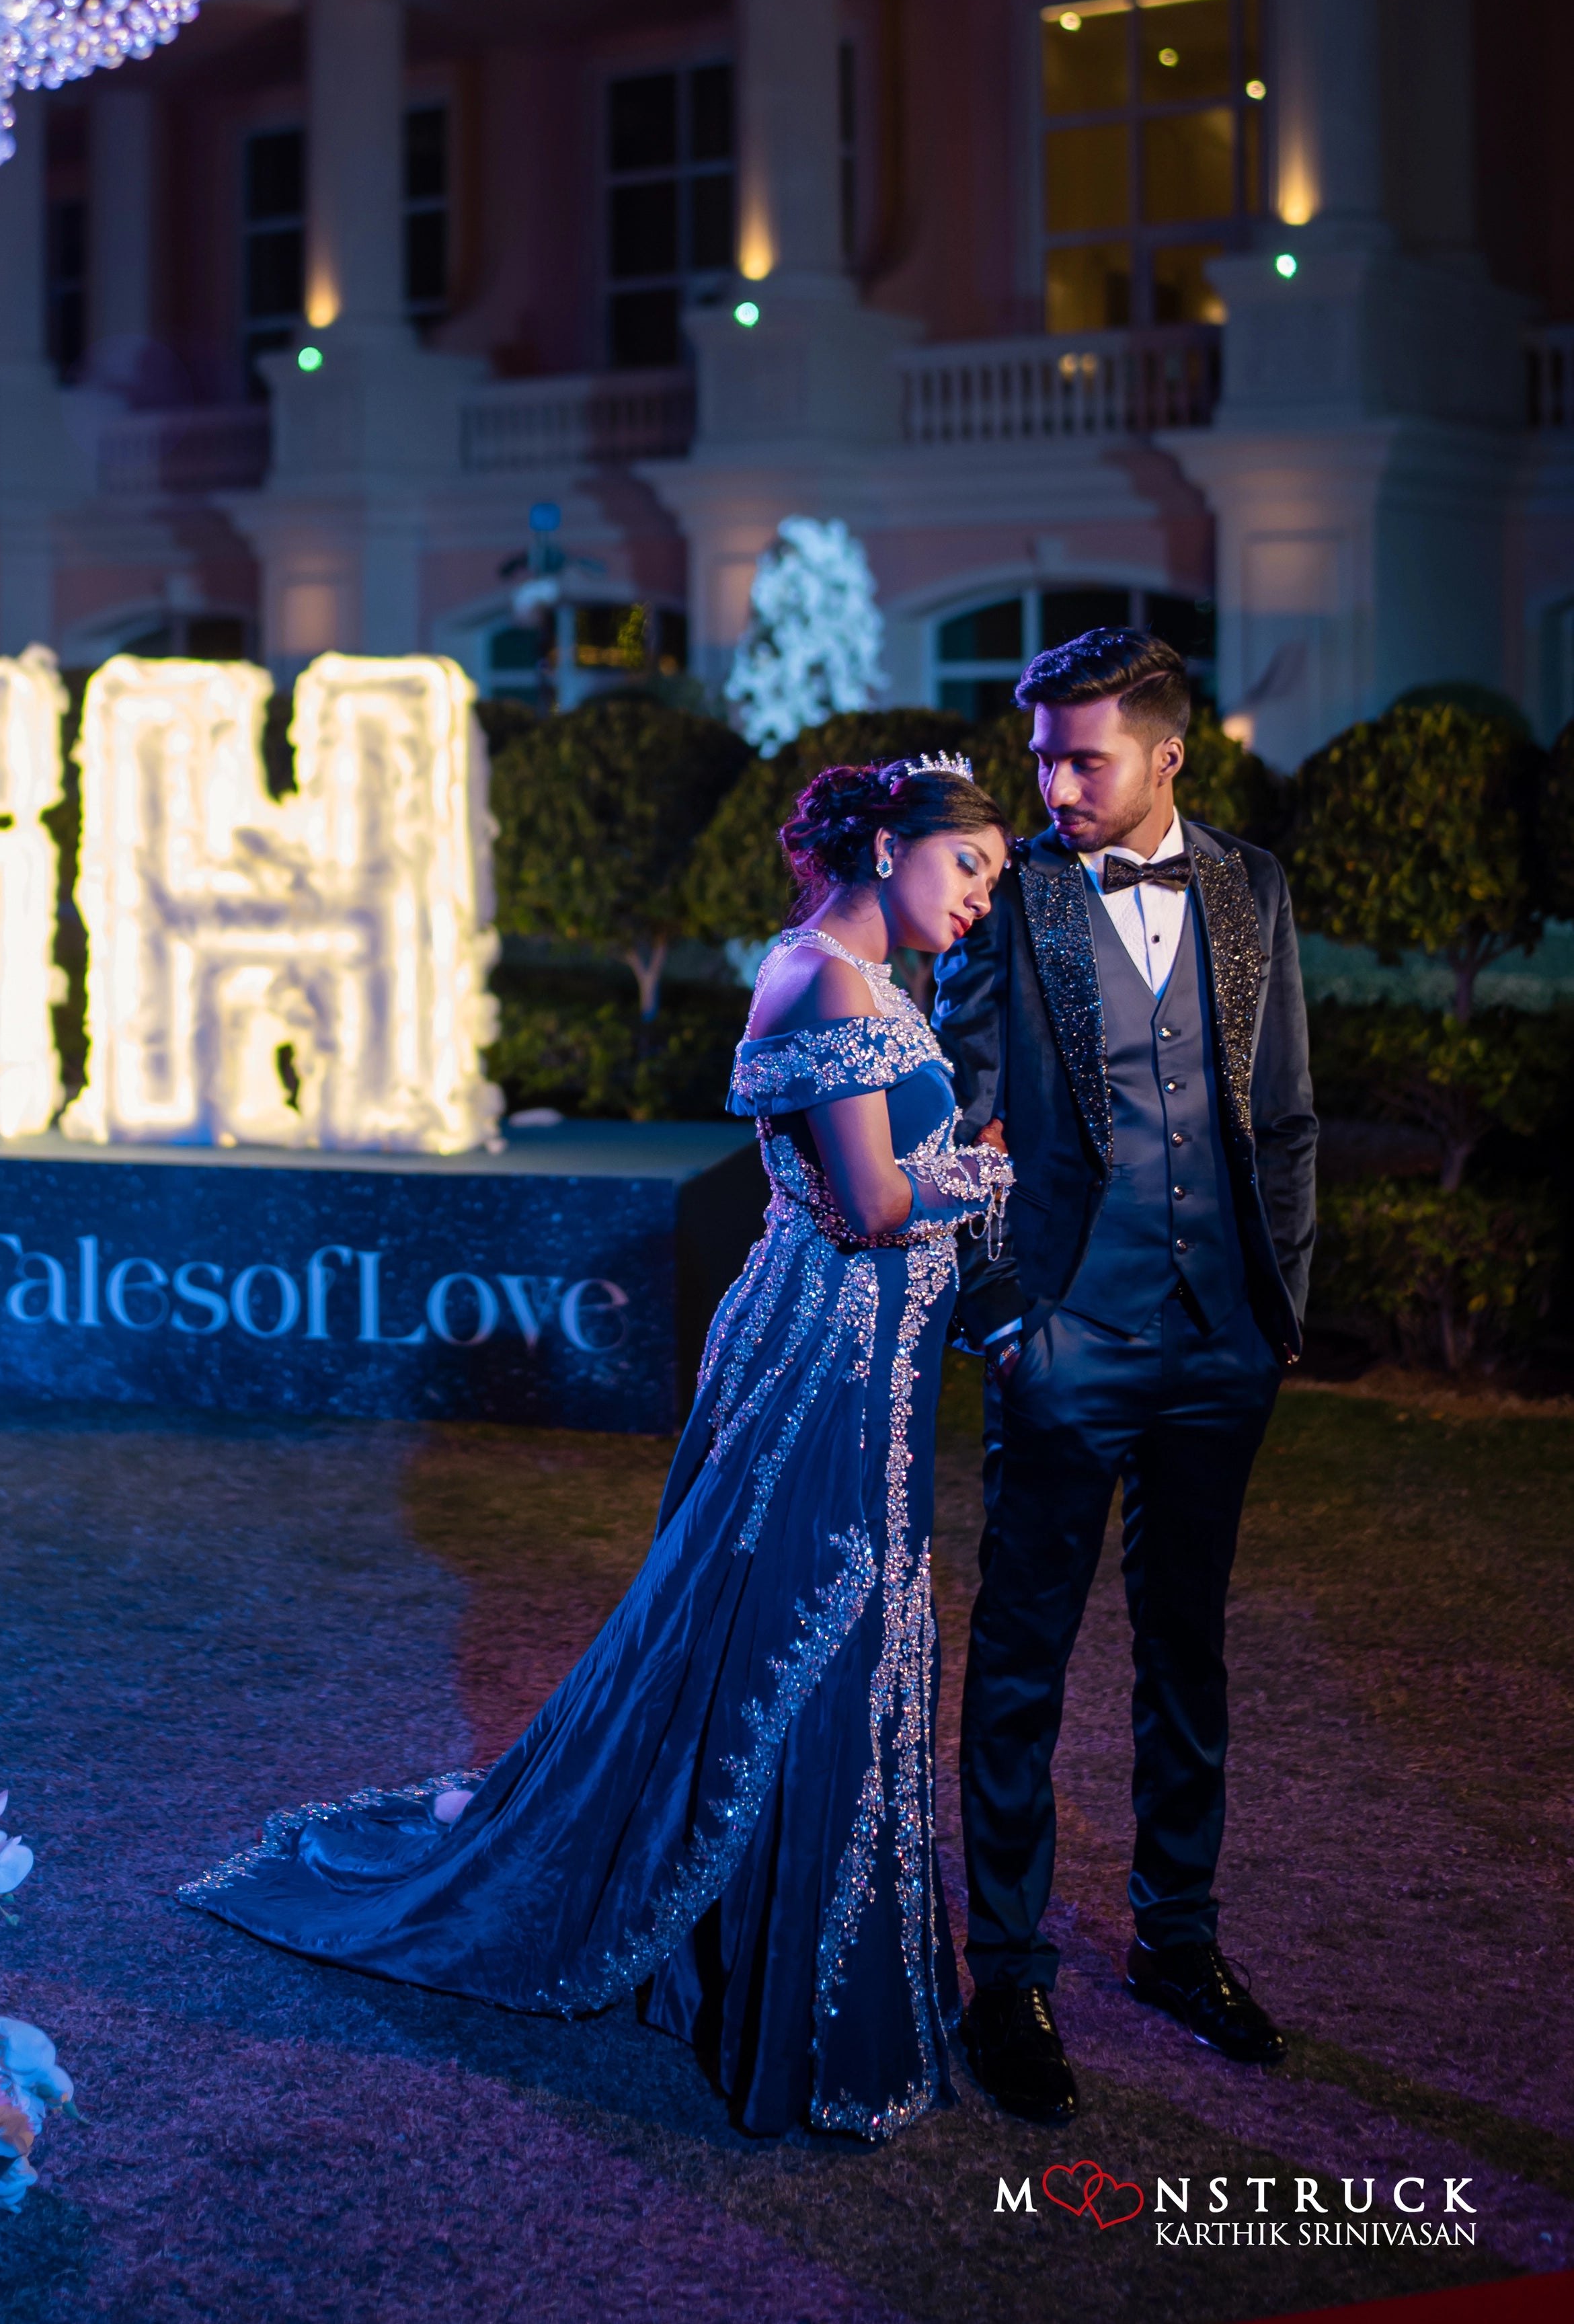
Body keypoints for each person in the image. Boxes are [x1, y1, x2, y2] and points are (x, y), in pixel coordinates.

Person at [184, 756, 1016, 2144]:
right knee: (807, 1624)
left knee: (843, 1624)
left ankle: (764, 1951)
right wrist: (996, 1168)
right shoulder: (813, 977)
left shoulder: (868, 984)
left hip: (866, 1354)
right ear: (884, 845)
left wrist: (957, 1170)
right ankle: (767, 1981)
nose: (982, 899)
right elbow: (872, 1203)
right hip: (819, 1357)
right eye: (969, 866)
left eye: (991, 875)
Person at [933, 627, 1316, 2127]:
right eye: (1038, 752)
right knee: (1020, 1660)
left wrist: (1277, 1310)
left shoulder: (1251, 885)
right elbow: (958, 1133)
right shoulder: (1009, 900)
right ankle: (1008, 1970)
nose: (1050, 781)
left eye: (1079, 754)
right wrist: (1005, 1316)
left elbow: (1280, 1112)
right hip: (1064, 1343)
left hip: (1220, 1339)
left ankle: (1177, 1942)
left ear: (1165, 756)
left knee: (1187, 1655)